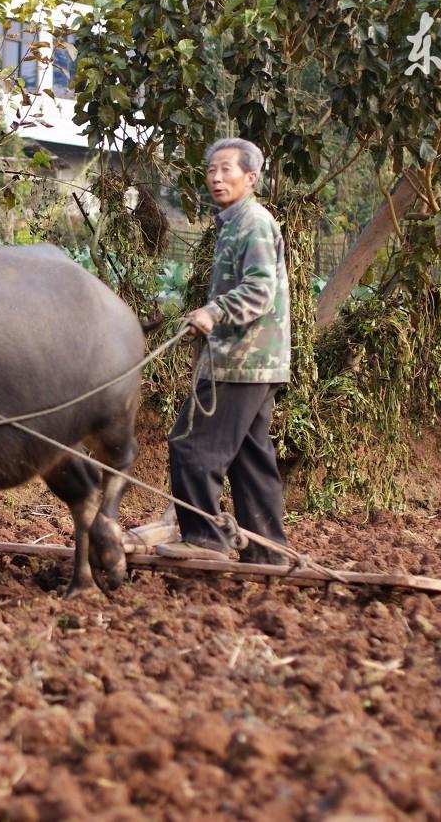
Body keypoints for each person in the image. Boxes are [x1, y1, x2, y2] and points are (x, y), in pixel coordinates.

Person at [141, 137, 291, 564]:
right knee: (249, 459)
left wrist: (215, 311)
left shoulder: (254, 223)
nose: (217, 177)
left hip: (239, 362)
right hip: (254, 361)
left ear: (251, 177)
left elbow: (260, 290)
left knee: (191, 443)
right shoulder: (234, 222)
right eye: (211, 170)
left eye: (227, 169)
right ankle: (267, 552)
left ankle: (205, 539)